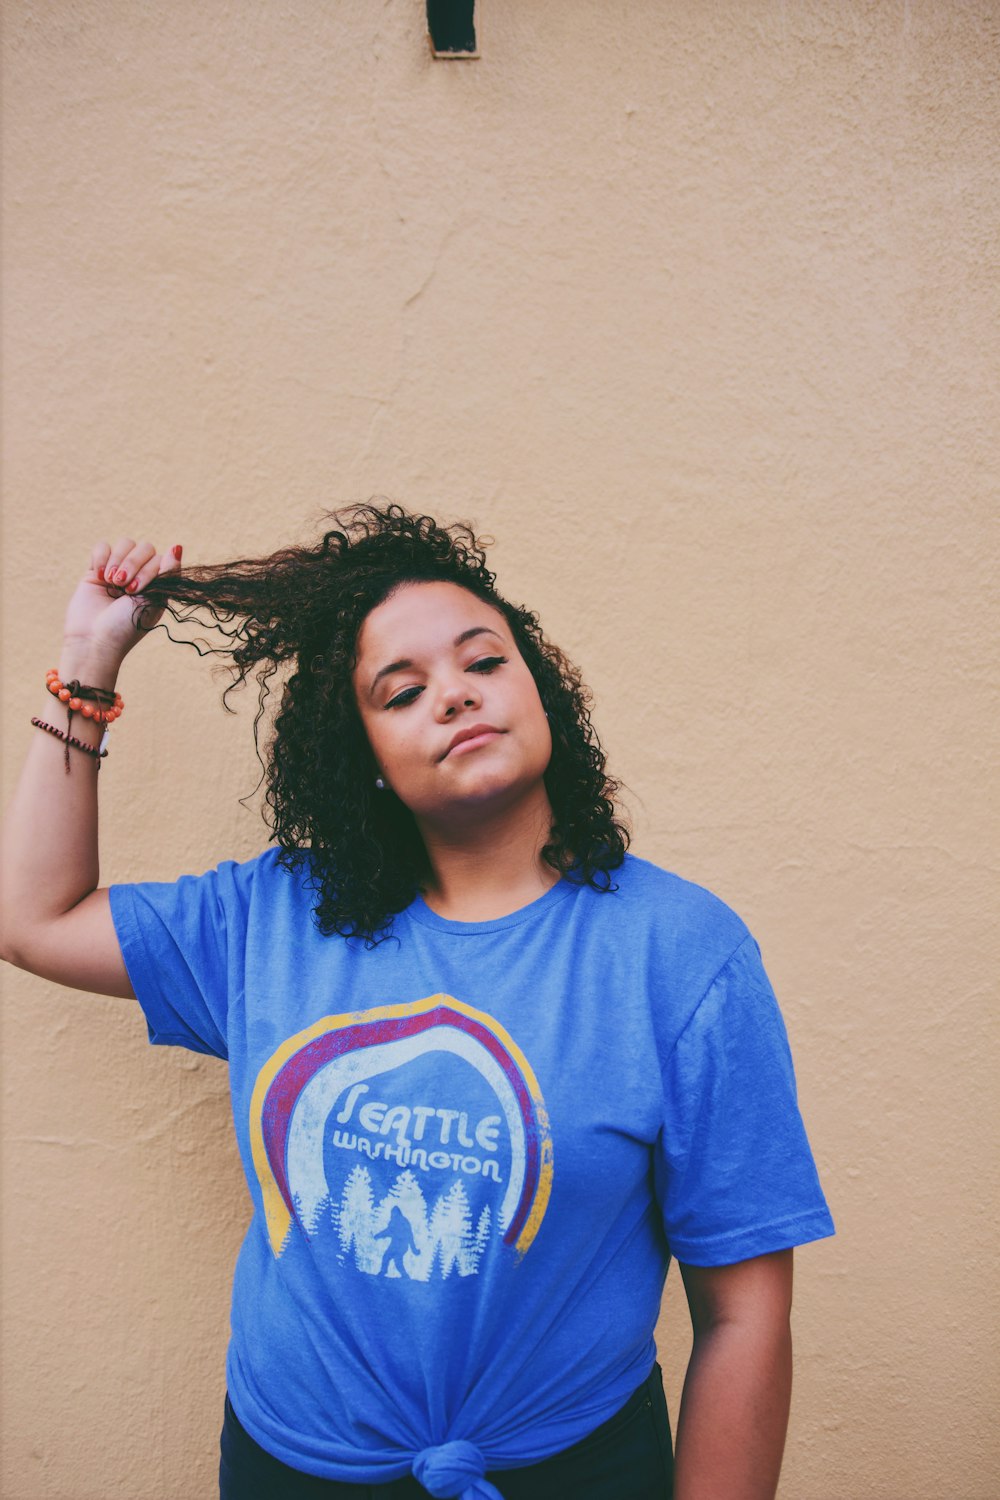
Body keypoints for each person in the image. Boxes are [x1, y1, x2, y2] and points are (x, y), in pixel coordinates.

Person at [0, 504, 834, 1500]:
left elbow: (743, 1315)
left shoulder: (681, 952)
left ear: (543, 694)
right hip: (288, 1469)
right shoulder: (270, 918)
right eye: (402, 691)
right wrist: (89, 661)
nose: (455, 696)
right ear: (368, 763)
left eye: (485, 663)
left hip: (575, 1470)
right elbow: (34, 919)